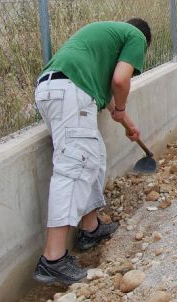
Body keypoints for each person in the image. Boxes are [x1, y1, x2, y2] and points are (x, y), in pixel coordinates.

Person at [33, 18, 151, 284]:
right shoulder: (136, 37)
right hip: (70, 93)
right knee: (73, 168)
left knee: (92, 156)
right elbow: (121, 82)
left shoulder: (104, 41)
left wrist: (128, 124)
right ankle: (52, 260)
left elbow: (109, 94)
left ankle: (90, 228)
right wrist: (121, 108)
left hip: (58, 89)